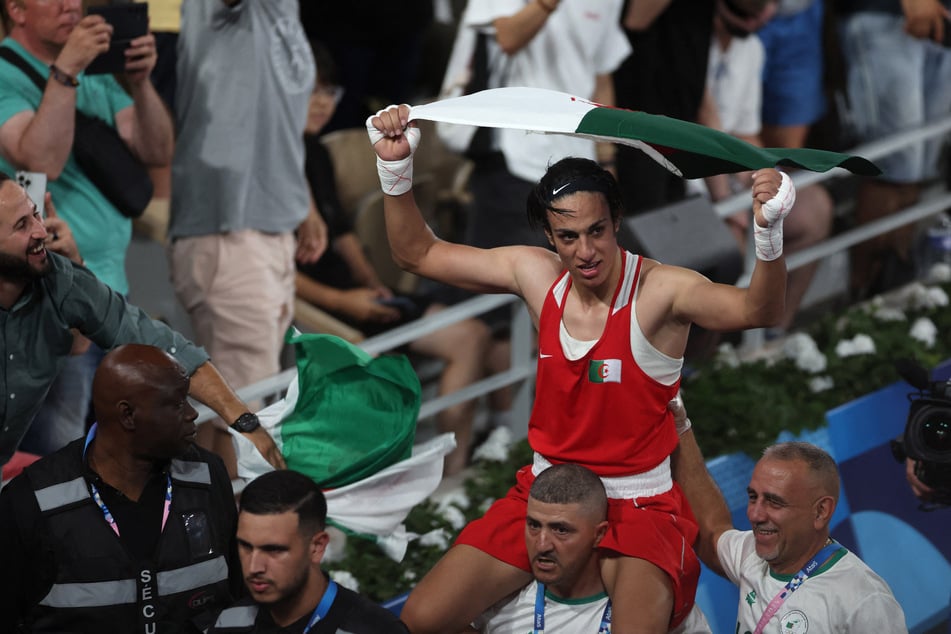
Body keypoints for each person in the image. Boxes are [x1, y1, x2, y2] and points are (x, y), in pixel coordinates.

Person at [368, 106, 796, 632]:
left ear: (617, 220)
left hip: (638, 504)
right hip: (548, 492)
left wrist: (768, 236)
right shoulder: (534, 273)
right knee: (423, 617)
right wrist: (396, 172)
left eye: (597, 231)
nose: (587, 251)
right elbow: (418, 253)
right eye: (568, 237)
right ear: (549, 236)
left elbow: (762, 312)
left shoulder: (662, 290)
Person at [298, 42, 493, 475]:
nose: (320, 103)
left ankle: (453, 472)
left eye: (328, 92)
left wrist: (369, 283)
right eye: (311, 91)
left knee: (473, 336)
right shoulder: (273, 163)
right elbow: (276, 272)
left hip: (360, 298)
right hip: (318, 311)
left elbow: (342, 231)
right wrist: (344, 303)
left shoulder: (316, 152)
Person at [0, 172, 283, 470]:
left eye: (35, 215)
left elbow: (166, 349)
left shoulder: (60, 280)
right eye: (22, 225)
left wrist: (245, 422)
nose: (41, 231)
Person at [0, 0, 175, 455]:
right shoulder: (4, 72)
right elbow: (42, 160)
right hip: (47, 296)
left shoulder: (96, 72)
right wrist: (67, 69)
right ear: (16, 10)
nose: (71, 5)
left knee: (118, 451)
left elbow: (157, 149)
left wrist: (139, 86)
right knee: (55, 455)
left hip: (110, 289)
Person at [169, 0, 327, 466]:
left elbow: (274, 118)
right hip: (230, 232)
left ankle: (226, 531)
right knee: (242, 416)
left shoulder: (284, 11)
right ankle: (232, 535)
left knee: (240, 406)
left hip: (269, 229)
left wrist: (303, 204)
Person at [0, 344, 243, 632]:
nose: (192, 414)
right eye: (177, 404)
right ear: (128, 415)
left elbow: (238, 594)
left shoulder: (208, 476)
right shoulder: (31, 499)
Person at [671, 400, 908, 632]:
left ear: (821, 511)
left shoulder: (864, 600)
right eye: (753, 497)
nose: (755, 514)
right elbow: (711, 531)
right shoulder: (750, 554)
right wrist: (681, 427)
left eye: (774, 502)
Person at [437, 0, 631, 253]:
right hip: (513, 161)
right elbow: (508, 37)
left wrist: (606, 160)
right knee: (505, 285)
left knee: (585, 280)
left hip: (578, 167)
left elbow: (601, 75)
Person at [695, 0, 833, 332]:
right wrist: (735, 205)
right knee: (730, 240)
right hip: (686, 186)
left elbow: (746, 134)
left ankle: (773, 333)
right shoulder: (688, 44)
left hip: (726, 182)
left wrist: (762, 182)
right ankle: (703, 361)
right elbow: (703, 133)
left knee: (812, 207)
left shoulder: (751, 48)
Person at [470, 462, 712, 633]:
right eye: (534, 525)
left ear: (599, 534)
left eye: (561, 530)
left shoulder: (657, 614)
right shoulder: (500, 607)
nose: (542, 544)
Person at [837, 0, 951, 298]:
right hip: (884, 14)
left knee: (917, 172)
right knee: (890, 170)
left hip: (941, 19)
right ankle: (860, 298)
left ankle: (890, 292)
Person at [206, 469, 409, 633]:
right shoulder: (230, 623)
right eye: (245, 546)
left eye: (274, 550)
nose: (254, 567)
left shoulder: (374, 630)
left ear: (317, 547)